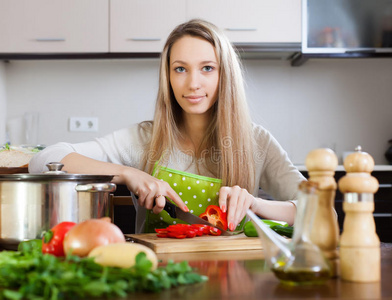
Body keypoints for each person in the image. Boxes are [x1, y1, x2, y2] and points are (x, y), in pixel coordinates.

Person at [29, 19, 305, 233]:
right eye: (180, 69)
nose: (193, 83)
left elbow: (320, 209)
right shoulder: (143, 139)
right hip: (161, 278)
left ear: (225, 75)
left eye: (207, 68)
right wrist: (128, 174)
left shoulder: (257, 142)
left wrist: (256, 205)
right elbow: (44, 159)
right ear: (168, 77)